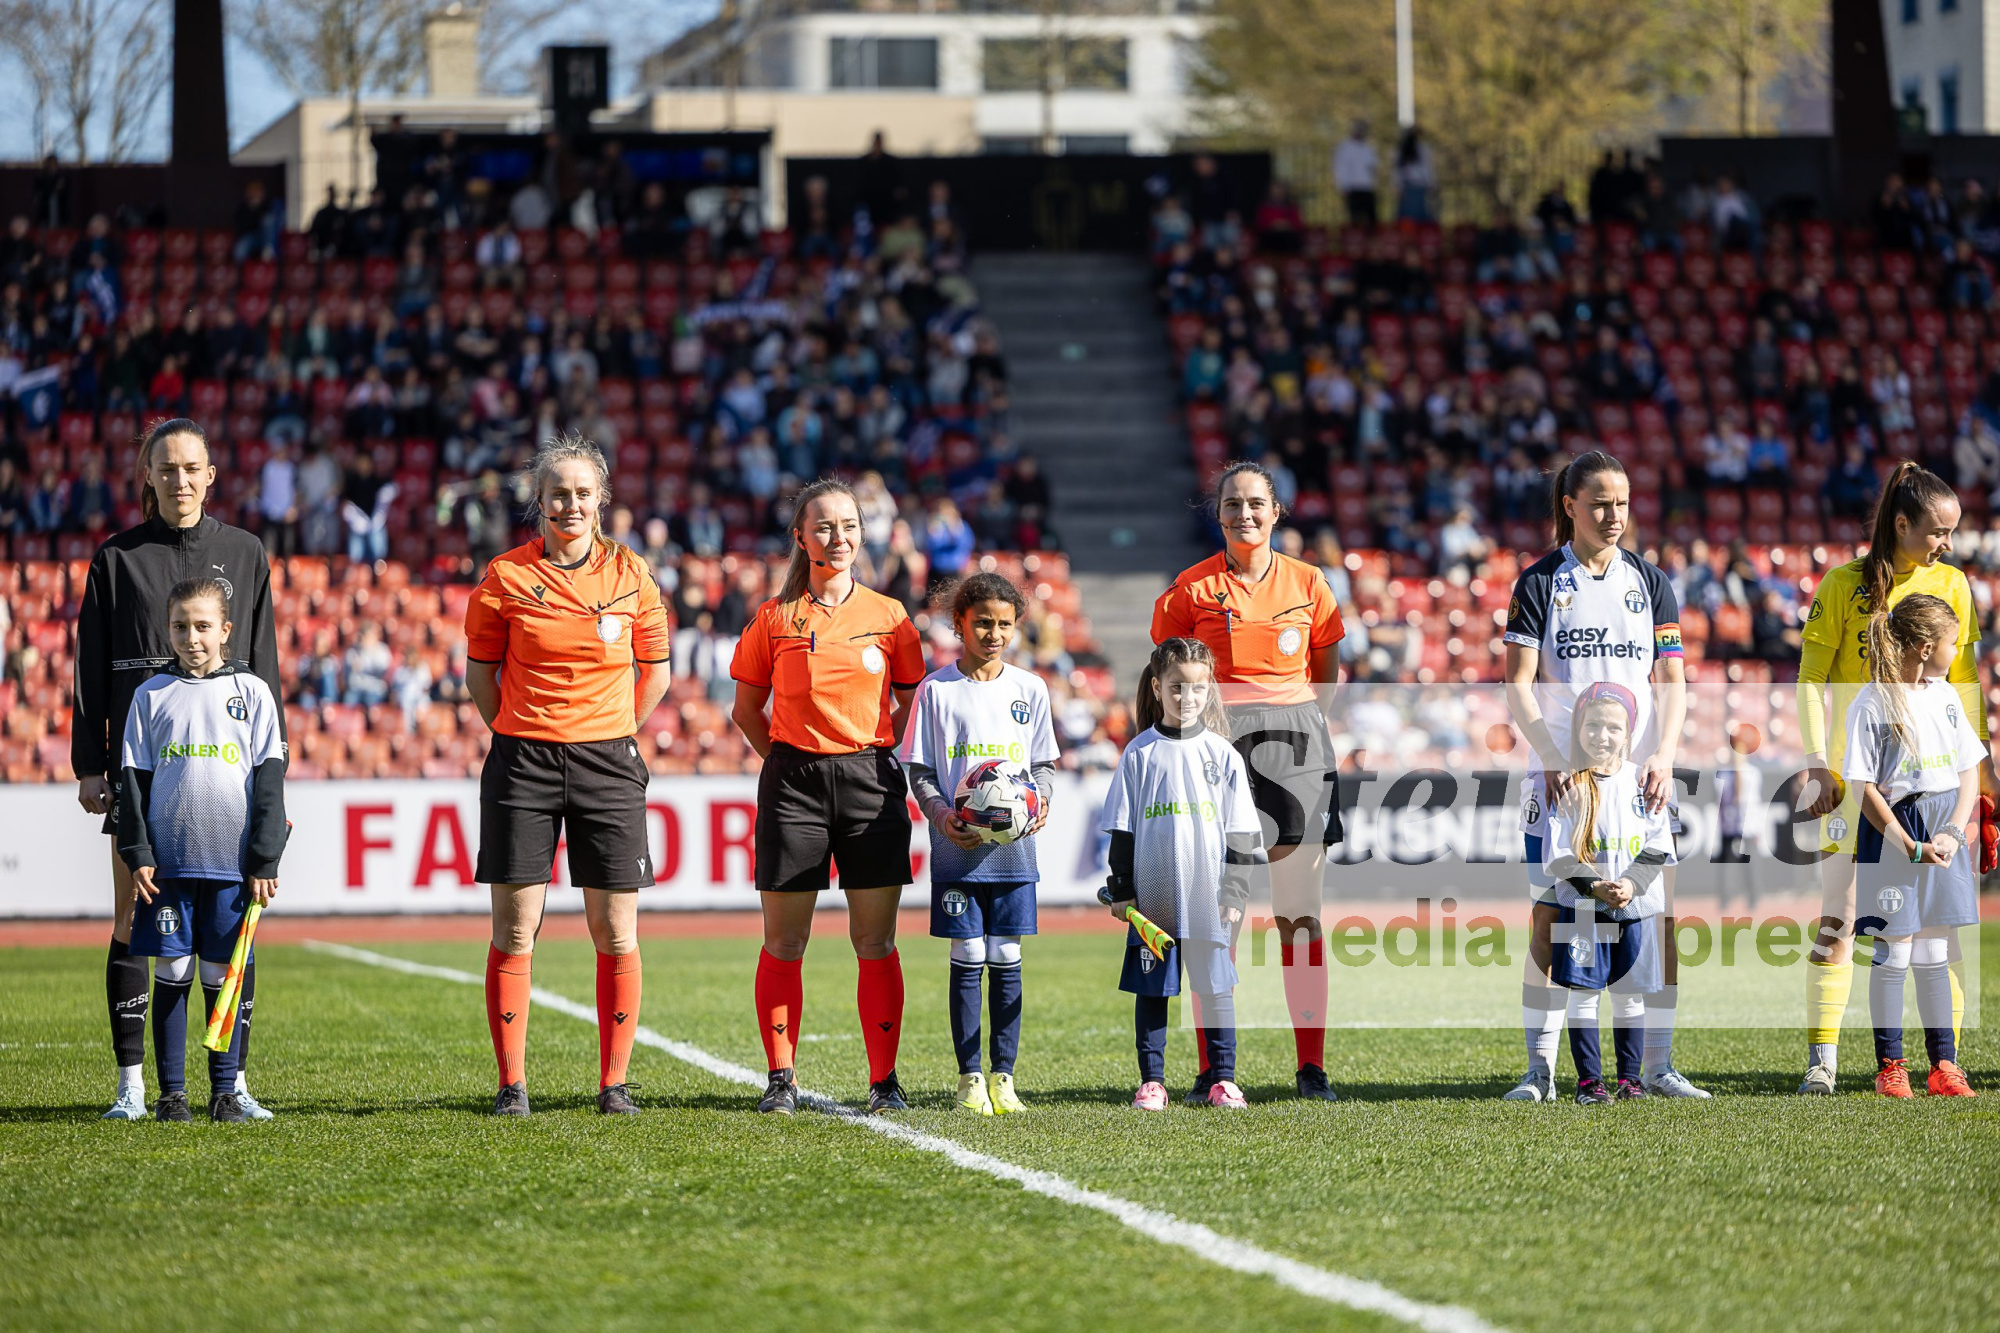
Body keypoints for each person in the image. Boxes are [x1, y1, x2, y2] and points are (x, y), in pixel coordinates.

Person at [72, 419, 283, 1123]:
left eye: (192, 468)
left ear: (211, 475)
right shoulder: (117, 558)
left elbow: (264, 668)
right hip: (144, 775)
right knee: (133, 918)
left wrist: (273, 782)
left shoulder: (245, 552)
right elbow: (89, 668)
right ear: (149, 476)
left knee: (231, 934)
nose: (180, 480)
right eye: (167, 468)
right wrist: (89, 764)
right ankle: (133, 1084)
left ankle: (233, 1082)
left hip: (226, 782)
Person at [464, 434, 673, 1117]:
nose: (571, 504)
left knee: (615, 930)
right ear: (540, 501)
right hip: (522, 762)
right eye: (558, 493)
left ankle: (615, 1084)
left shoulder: (633, 574)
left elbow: (657, 672)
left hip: (607, 762)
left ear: (601, 498)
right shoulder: (505, 577)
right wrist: (519, 728)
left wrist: (611, 729)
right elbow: (481, 675)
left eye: (583, 492)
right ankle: (512, 1085)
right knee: (515, 929)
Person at [1501, 450, 1703, 1102]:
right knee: (1551, 919)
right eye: (1599, 503)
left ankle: (1658, 1064)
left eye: (1622, 502)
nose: (1614, 515)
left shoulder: (1651, 581)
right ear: (1570, 506)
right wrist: (1551, 756)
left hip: (1639, 783)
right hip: (1559, 784)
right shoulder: (1540, 582)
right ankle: (1540, 1069)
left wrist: (1664, 754)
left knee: (1656, 917)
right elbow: (1517, 684)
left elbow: (1672, 681)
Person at [730, 478, 927, 1115]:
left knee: (875, 942)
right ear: (800, 538)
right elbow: (746, 710)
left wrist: (875, 749)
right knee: (785, 943)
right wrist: (786, 762)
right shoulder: (773, 618)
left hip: (871, 783)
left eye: (848, 525)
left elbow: (912, 702)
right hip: (793, 783)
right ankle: (780, 1079)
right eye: (823, 526)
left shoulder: (890, 617)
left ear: (862, 534)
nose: (837, 537)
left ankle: (884, 1082)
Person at [1150, 461, 1346, 1103]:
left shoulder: (1310, 582)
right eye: (1232, 504)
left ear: (1276, 511)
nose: (1245, 514)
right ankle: (1215, 1069)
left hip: (1297, 750)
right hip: (1216, 754)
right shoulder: (1190, 589)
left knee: (1300, 916)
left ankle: (1311, 1068)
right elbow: (1167, 675)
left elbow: (1325, 670)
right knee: (1217, 916)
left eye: (1256, 502)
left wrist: (1296, 725)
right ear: (1219, 514)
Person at [1794, 462, 1991, 1094]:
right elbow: (1810, 678)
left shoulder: (1953, 585)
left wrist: (1984, 778)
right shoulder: (1842, 584)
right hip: (1851, 783)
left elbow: (1965, 683)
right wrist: (1819, 762)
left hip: (1930, 790)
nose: (1947, 544)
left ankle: (1943, 1064)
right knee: (1839, 920)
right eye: (1938, 531)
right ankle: (1823, 1061)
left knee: (1936, 932)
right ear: (1901, 524)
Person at [115, 579, 286, 1123]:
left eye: (203, 626)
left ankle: (225, 1091)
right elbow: (133, 781)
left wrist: (264, 858)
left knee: (219, 973)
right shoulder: (151, 695)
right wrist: (138, 851)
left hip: (231, 865)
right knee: (172, 967)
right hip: (168, 865)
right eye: (181, 626)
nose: (192, 637)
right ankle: (171, 1095)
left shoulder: (252, 693)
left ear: (226, 630)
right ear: (168, 630)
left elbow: (270, 781)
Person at [900, 573, 1058, 1116]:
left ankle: (1004, 1077)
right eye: (983, 623)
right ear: (959, 623)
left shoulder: (1030, 689)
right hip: (957, 850)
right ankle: (970, 1078)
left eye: (1004, 624)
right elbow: (921, 771)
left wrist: (1041, 802)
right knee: (967, 953)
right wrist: (943, 815)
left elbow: (1043, 766)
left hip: (1013, 853)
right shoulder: (936, 690)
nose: (994, 634)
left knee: (1007, 954)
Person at [1101, 637, 1264, 1110]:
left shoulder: (1224, 754)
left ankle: (1224, 1080)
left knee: (1215, 988)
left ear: (1209, 688)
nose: (1186, 697)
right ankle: (1152, 1082)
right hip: (1154, 897)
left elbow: (1240, 832)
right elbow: (1123, 829)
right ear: (1157, 687)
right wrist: (1122, 888)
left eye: (1196, 687)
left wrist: (1235, 890)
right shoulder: (1139, 753)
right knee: (1152, 991)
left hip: (1208, 895)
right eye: (1176, 687)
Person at [1845, 594, 1981, 1099]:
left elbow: (1968, 771)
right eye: (1953, 643)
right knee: (1894, 951)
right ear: (1925, 647)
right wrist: (1906, 843)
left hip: (1944, 826)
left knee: (1934, 951)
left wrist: (1954, 830)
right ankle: (1890, 1067)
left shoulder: (1946, 695)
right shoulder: (1872, 702)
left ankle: (1944, 1065)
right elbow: (1862, 787)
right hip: (1893, 831)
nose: (1957, 651)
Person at [1539, 683, 1673, 1105]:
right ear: (1578, 729)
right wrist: (1593, 886)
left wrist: (1631, 884)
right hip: (1582, 906)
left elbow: (1659, 844)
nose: (1602, 735)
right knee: (1583, 995)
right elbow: (1558, 854)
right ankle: (1589, 1083)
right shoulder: (1570, 785)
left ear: (1629, 733)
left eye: (1614, 727)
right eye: (1593, 725)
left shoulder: (1642, 781)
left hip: (1635, 906)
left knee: (1629, 995)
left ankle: (1629, 1081)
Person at [1333, 121, 1379, 227]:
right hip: (1353, 187)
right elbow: (1341, 168)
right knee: (1355, 218)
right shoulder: (1345, 148)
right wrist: (1343, 185)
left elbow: (1373, 166)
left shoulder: (1367, 148)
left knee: (1371, 218)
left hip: (1367, 186)